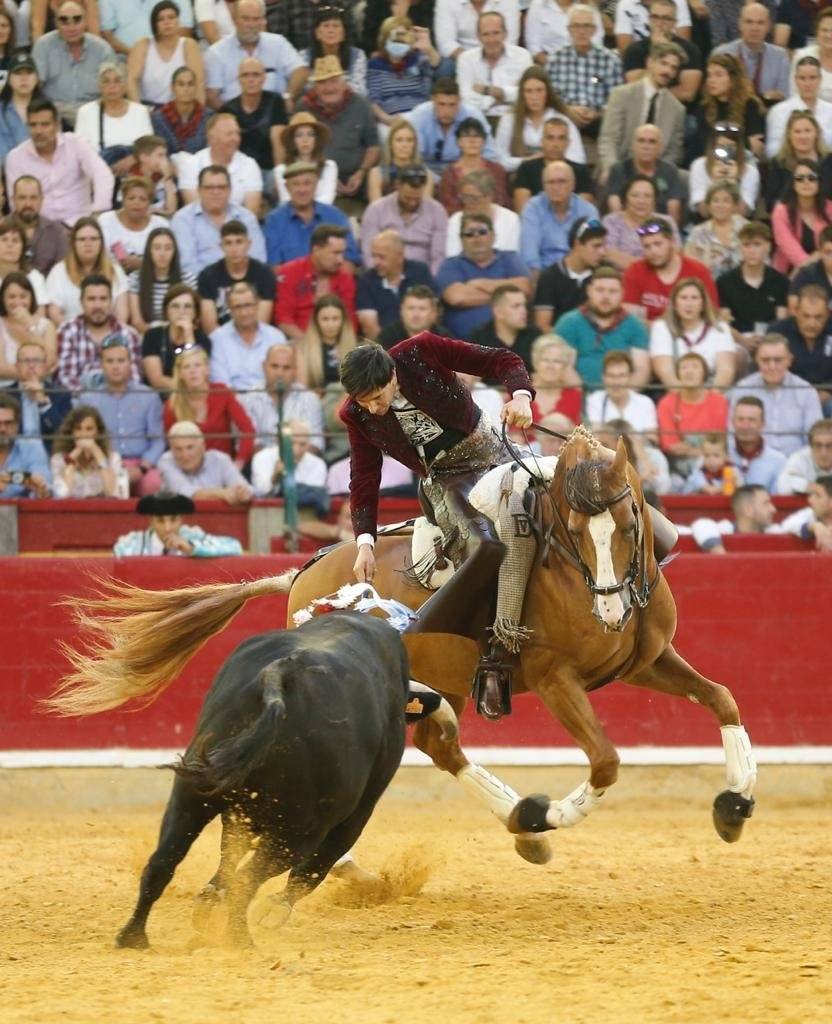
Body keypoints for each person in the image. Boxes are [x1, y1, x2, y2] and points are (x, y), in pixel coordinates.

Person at [338, 335, 534, 716]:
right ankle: (493, 660)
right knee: (485, 547)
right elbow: (364, 477)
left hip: (493, 450)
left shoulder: (420, 351)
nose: (375, 409)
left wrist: (521, 395)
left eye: (378, 397)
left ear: (393, 375)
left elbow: (501, 359)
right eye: (365, 402)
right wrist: (365, 542)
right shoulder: (356, 415)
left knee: (555, 499)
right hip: (447, 479)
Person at [6, 98, 114, 224]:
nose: (39, 131)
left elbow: (102, 175)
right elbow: (16, 203)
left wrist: (97, 213)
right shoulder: (16, 158)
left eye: (45, 124)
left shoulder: (76, 144)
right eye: (33, 125)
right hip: (40, 230)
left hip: (80, 226)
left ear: (57, 125)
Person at [79, 337, 165, 495]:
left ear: (130, 363)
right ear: (101, 365)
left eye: (121, 361)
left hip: (140, 462)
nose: (116, 366)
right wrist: (104, 465)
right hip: (103, 463)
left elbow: (158, 440)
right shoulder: (88, 399)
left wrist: (142, 468)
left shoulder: (148, 396)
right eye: (110, 361)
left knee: (153, 484)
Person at [597, 42, 686, 182]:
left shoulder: (677, 109)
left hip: (655, 176)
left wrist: (656, 176)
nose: (667, 71)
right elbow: (609, 139)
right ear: (650, 62)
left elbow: (673, 153)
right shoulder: (621, 95)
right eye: (663, 63)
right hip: (619, 167)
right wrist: (613, 170)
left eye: (673, 68)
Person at [297, 55, 380, 201]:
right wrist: (325, 174)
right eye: (322, 82)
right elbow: (295, 149)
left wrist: (361, 173)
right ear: (315, 87)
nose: (329, 88)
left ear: (344, 84)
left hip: (358, 175)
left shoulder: (361, 105)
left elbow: (373, 146)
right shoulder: (303, 108)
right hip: (317, 173)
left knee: (377, 179)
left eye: (334, 81)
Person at [436, 212, 531, 337]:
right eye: (469, 234)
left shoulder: (510, 258)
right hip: (462, 344)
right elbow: (457, 297)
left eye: (482, 232)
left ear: (493, 235)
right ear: (461, 239)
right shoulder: (450, 264)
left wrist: (480, 284)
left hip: (510, 343)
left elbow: (524, 288)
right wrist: (506, 297)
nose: (477, 238)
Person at [554, 267, 650, 389]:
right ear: (589, 291)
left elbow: (641, 370)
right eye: (600, 290)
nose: (606, 296)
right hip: (579, 398)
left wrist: (622, 397)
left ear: (622, 293)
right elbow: (565, 367)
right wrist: (586, 400)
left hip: (621, 398)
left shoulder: (635, 325)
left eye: (613, 291)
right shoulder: (569, 322)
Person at [164, 343, 254, 469]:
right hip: (187, 468)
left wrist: (239, 462)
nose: (192, 371)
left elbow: (247, 430)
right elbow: (172, 443)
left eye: (197, 365)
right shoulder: (172, 404)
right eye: (186, 367)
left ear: (207, 369)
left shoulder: (222, 393)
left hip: (223, 467)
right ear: (180, 374)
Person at [731, 335, 823, 457]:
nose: (772, 366)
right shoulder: (743, 389)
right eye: (765, 360)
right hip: (753, 461)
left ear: (789, 360)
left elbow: (815, 438)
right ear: (757, 360)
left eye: (778, 360)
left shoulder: (806, 391)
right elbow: (731, 435)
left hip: (794, 464)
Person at [204, 0, 304, 109]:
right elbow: (212, 96)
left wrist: (288, 96)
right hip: (234, 118)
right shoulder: (216, 53)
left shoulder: (278, 44)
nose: (251, 25)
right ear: (234, 19)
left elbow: (300, 70)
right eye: (246, 19)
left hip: (275, 114)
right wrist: (229, 117)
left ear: (263, 20)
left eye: (256, 19)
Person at [171, 165, 266, 278]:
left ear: (230, 190)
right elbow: (186, 266)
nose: (215, 192)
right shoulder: (183, 219)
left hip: (243, 287)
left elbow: (258, 259)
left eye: (221, 187)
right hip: (201, 287)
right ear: (199, 190)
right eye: (209, 187)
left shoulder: (246, 217)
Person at [546, 5, 623, 141]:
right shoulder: (555, 59)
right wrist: (567, 109)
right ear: (569, 30)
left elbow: (616, 99)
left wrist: (597, 113)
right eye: (576, 26)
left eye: (586, 26)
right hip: (564, 117)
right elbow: (549, 97)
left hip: (599, 119)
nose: (581, 32)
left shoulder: (610, 60)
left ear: (594, 30)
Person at [32, 0, 114, 127]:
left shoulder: (102, 49)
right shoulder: (43, 46)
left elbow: (112, 87)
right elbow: (34, 87)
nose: (72, 27)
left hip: (92, 112)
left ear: (85, 22)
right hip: (54, 114)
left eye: (77, 20)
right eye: (64, 21)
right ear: (56, 24)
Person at [263, 162, 359, 270]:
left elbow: (349, 262)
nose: (302, 190)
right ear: (287, 187)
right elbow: (275, 267)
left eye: (307, 183)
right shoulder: (275, 220)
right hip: (292, 285)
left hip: (332, 284)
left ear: (316, 185)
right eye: (296, 184)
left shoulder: (335, 216)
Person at [622, 218, 719, 322]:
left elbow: (711, 314)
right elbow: (632, 320)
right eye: (647, 246)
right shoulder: (635, 271)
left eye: (658, 244)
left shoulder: (698, 271)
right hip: (646, 336)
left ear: (672, 241)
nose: (653, 251)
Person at [494, 65, 586, 174]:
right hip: (522, 176)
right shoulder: (509, 120)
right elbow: (499, 160)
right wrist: (527, 161)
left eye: (539, 90)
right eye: (529, 91)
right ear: (522, 94)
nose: (534, 97)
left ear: (547, 92)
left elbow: (578, 158)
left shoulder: (562, 120)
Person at [56, 274, 141, 392]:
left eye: (103, 299)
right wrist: (92, 399)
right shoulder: (67, 331)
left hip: (119, 401)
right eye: (91, 299)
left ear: (111, 301)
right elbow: (64, 377)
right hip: (79, 403)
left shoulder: (128, 334)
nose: (97, 305)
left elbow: (134, 379)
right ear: (81, 302)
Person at [361, 163, 448, 275]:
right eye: (407, 197)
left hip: (421, 276)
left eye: (417, 198)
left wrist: (429, 281)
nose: (412, 202)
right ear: (397, 185)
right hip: (383, 273)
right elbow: (368, 253)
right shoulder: (376, 209)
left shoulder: (437, 211)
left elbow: (438, 257)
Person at [275, 223, 357, 341]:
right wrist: (311, 346)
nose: (340, 260)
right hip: (298, 343)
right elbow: (284, 320)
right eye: (335, 253)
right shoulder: (289, 273)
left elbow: (350, 323)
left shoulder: (346, 278)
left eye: (342, 253)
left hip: (337, 346)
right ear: (316, 250)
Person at [717, 222, 789, 357]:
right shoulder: (725, 282)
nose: (752, 250)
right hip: (737, 342)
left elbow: (782, 321)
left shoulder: (781, 282)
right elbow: (723, 322)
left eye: (757, 244)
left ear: (768, 247)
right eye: (747, 245)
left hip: (771, 340)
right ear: (740, 248)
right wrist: (742, 340)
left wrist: (767, 342)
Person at [650, 277, 735, 390]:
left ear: (703, 304)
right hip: (675, 392)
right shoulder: (661, 327)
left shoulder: (720, 328)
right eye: (683, 298)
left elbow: (726, 370)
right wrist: (687, 398)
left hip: (712, 391)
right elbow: (665, 372)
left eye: (694, 298)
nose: (689, 304)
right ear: (674, 304)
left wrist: (711, 398)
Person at [240, 342, 325, 453]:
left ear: (295, 371)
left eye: (286, 368)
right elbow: (249, 443)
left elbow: (316, 444)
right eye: (274, 366)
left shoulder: (310, 399)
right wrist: (272, 462)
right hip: (260, 465)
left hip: (302, 464)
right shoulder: (248, 399)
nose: (280, 373)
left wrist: (292, 461)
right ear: (264, 367)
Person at [519, 161, 599, 274]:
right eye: (550, 182)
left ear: (573, 185)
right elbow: (530, 256)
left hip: (579, 273)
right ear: (543, 186)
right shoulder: (532, 208)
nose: (556, 187)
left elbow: (591, 251)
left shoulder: (589, 211)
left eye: (562, 182)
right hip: (544, 274)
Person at [74, 62, 153, 178]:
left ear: (125, 85)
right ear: (99, 86)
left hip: (135, 173)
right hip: (97, 174)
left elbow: (149, 147)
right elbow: (80, 150)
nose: (112, 86)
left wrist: (132, 159)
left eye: (117, 81)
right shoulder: (86, 112)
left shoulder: (140, 111)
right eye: (106, 81)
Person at [404, 77, 496, 176]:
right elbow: (413, 157)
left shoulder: (473, 115)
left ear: (460, 101)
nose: (447, 111)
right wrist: (437, 181)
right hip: (426, 171)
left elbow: (489, 154)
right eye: (441, 104)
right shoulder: (419, 115)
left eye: (452, 105)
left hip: (463, 172)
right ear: (433, 100)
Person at [656, 351, 730, 473]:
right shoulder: (666, 403)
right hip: (678, 465)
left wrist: (690, 450)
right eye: (684, 367)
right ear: (678, 374)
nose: (689, 371)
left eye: (695, 367)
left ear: (704, 373)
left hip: (715, 462)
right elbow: (672, 446)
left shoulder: (719, 401)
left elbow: (718, 441)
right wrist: (701, 452)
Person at [45, 217, 128, 326]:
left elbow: (122, 315)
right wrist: (74, 334)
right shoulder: (58, 272)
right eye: (82, 239)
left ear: (101, 242)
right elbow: (54, 312)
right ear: (73, 243)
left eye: (93, 239)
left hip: (109, 337)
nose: (88, 243)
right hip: (71, 336)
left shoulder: (116, 271)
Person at [197, 221, 274, 335]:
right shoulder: (207, 275)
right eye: (228, 243)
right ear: (221, 246)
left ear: (248, 244)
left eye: (239, 242)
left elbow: (263, 322)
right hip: (220, 341)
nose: (234, 249)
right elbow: (210, 326)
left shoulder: (264, 274)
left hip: (256, 338)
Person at [356, 230, 435, 341]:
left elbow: (432, 313)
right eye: (374, 256)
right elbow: (370, 328)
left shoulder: (420, 272)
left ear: (400, 256)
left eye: (381, 257)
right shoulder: (366, 280)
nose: (375, 262)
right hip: (385, 346)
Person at [113, 491, 245, 557]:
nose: (168, 528)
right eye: (160, 521)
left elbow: (235, 547)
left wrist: (191, 548)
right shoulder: (130, 544)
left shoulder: (193, 537)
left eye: (173, 520)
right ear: (151, 521)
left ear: (181, 519)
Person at [621, 0, 703, 107]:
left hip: (679, 110)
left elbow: (687, 93)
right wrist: (656, 50)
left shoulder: (690, 49)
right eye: (655, 17)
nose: (660, 22)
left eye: (666, 18)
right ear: (649, 20)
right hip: (641, 109)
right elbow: (635, 89)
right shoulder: (635, 50)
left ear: (675, 23)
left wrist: (654, 93)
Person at [219, 56, 287, 186]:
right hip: (240, 173)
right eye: (245, 75)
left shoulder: (275, 102)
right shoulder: (227, 109)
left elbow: (278, 141)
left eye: (256, 75)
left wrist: (280, 176)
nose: (251, 80)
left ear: (264, 78)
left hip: (269, 170)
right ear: (239, 79)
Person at [179, 112, 262, 216]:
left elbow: (251, 214)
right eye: (229, 134)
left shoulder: (250, 165)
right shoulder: (191, 164)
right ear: (211, 138)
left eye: (237, 133)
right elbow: (195, 210)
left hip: (238, 228)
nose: (235, 139)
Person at [532, 216, 607, 332]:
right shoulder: (550, 277)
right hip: (559, 344)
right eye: (596, 246)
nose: (603, 252)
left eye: (603, 246)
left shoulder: (603, 275)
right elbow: (542, 325)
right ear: (577, 244)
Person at [125, 0, 205, 108]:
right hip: (149, 107)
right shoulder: (143, 45)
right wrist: (139, 112)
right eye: (161, 19)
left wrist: (198, 114)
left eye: (171, 17)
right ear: (154, 24)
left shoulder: (189, 45)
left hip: (180, 108)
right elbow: (131, 81)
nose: (167, 22)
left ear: (178, 21)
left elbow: (198, 83)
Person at [211, 280, 287, 393]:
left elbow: (282, 379)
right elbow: (221, 386)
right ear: (229, 309)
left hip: (270, 401)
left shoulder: (276, 337)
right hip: (232, 404)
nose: (244, 313)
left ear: (257, 304)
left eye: (248, 305)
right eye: (237, 307)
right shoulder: (217, 339)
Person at [456, 11, 532, 122]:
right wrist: (500, 98)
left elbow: (528, 93)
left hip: (513, 118)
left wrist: (492, 91)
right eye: (486, 34)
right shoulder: (466, 59)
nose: (491, 40)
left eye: (496, 33)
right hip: (477, 119)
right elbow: (465, 98)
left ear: (505, 34)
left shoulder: (522, 56)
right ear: (478, 37)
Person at [603, 123, 685, 224]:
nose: (646, 146)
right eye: (641, 141)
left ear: (660, 147)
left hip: (659, 229)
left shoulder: (670, 171)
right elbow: (615, 208)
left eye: (652, 142)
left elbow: (673, 212)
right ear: (633, 145)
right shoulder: (618, 170)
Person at [365, 15, 440, 127]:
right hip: (390, 120)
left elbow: (435, 65)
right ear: (384, 40)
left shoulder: (419, 59)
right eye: (395, 40)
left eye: (403, 40)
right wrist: (387, 119)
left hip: (420, 117)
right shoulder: (375, 65)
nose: (399, 44)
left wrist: (429, 49)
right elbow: (374, 100)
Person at [511, 114, 594, 213]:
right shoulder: (526, 169)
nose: (555, 144)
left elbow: (585, 213)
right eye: (550, 138)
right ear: (542, 142)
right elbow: (523, 212)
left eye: (561, 138)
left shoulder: (581, 171)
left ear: (568, 143)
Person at [158, 419, 253, 504]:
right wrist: (222, 493)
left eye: (190, 447)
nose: (185, 455)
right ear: (171, 450)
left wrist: (242, 493)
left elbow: (247, 489)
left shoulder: (220, 460)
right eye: (178, 449)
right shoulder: (166, 462)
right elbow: (187, 494)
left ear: (203, 446)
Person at [712, 3, 790, 106]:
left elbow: (782, 96)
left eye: (760, 23)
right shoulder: (722, 53)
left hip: (767, 115)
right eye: (749, 22)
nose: (754, 28)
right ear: (740, 24)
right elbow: (715, 94)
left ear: (768, 26)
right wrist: (765, 96)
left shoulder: (780, 56)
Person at [141, 284, 212, 394]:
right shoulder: (153, 335)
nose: (181, 311)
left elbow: (198, 376)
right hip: (160, 398)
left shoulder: (202, 340)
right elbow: (156, 380)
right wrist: (186, 386)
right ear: (166, 311)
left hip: (190, 398)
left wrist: (189, 336)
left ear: (195, 312)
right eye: (175, 306)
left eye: (187, 306)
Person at [767, 286, 832, 404]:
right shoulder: (778, 331)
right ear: (796, 311)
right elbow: (768, 368)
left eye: (818, 317)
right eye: (806, 316)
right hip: (787, 395)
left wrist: (828, 393)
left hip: (827, 396)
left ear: (828, 314)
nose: (812, 323)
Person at [695, 54, 765, 160]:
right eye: (709, 75)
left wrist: (720, 141)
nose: (711, 80)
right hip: (712, 162)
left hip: (744, 161)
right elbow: (704, 145)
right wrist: (739, 141)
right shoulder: (704, 107)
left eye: (718, 75)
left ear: (733, 79)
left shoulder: (751, 105)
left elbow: (757, 148)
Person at [602, 176, 679, 272]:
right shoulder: (611, 221)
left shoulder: (667, 221)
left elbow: (676, 253)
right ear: (625, 199)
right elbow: (610, 254)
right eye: (635, 195)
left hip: (662, 276)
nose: (641, 201)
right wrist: (646, 270)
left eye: (647, 196)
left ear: (655, 200)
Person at [128, 227, 197, 335]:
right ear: (149, 251)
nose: (162, 253)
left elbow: (194, 318)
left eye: (168, 248)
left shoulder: (187, 279)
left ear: (175, 252)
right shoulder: (135, 279)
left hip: (181, 334)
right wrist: (159, 338)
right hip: (147, 337)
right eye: (157, 248)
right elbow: (137, 322)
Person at [251, 418, 329, 512]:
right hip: (269, 513)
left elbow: (314, 497)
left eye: (302, 444)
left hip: (305, 514)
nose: (296, 450)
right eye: (291, 443)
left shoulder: (318, 464)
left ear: (309, 444)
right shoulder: (262, 457)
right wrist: (274, 478)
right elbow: (259, 493)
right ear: (279, 442)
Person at [437, 117, 510, 215]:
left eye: (477, 136)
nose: (472, 141)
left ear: (483, 141)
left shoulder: (497, 170)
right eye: (466, 136)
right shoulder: (448, 175)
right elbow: (447, 208)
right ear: (458, 142)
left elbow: (501, 202)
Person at [771, 159, 832, 276]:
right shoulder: (780, 212)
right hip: (788, 272)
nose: (806, 182)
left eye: (812, 178)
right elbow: (791, 251)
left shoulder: (830, 208)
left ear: (819, 182)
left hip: (827, 269)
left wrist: (816, 258)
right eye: (799, 178)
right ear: (793, 184)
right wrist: (805, 269)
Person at [765, 108, 832, 213]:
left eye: (807, 131)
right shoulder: (778, 163)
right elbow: (770, 204)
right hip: (790, 220)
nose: (803, 136)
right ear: (789, 136)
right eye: (797, 132)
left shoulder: (829, 161)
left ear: (816, 134)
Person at [98, 177, 168, 277]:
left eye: (142, 199)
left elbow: (168, 261)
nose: (136, 202)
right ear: (123, 200)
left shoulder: (161, 225)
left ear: (149, 203)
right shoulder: (105, 221)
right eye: (131, 198)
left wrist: (142, 264)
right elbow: (98, 258)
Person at [50, 403, 123, 498]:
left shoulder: (113, 458)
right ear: (71, 432)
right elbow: (62, 493)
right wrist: (74, 456)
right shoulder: (59, 459)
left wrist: (97, 452)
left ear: (98, 432)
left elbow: (112, 493)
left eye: (89, 429)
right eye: (78, 428)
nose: (83, 434)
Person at [9, 340, 72, 451]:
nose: (31, 365)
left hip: (48, 454)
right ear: (16, 366)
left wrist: (43, 402)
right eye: (26, 361)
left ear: (45, 366)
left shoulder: (61, 394)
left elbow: (65, 434)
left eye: (37, 361)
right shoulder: (4, 395)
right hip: (12, 454)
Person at [586, 349, 659, 441]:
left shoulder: (645, 402)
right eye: (611, 376)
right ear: (603, 377)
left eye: (622, 376)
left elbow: (652, 439)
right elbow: (595, 437)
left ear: (630, 376)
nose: (616, 382)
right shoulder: (595, 400)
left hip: (640, 453)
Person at [689, 130, 761, 221]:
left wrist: (733, 182)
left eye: (731, 146)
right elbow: (704, 212)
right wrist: (715, 183)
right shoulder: (699, 165)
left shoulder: (750, 171)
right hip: (705, 223)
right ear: (712, 147)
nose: (725, 151)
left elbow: (742, 213)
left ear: (739, 148)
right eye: (720, 146)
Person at [444, 170, 519, 258]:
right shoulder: (455, 220)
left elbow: (512, 256)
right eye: (464, 197)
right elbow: (452, 256)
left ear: (489, 196)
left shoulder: (510, 219)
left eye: (473, 198)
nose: (468, 203)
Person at [0, 273, 57, 387]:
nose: (18, 302)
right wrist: (37, 373)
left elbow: (50, 360)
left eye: (23, 296)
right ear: (3, 299)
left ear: (31, 298)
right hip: (6, 392)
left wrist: (30, 325)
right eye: (12, 297)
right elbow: (1, 368)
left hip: (41, 388)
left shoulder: (47, 325)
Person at [297, 4, 367, 96]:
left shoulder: (357, 55)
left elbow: (359, 91)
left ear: (344, 34)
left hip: (348, 105)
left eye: (336, 26)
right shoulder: (303, 56)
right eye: (326, 26)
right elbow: (303, 89)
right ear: (317, 33)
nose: (331, 31)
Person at [294, 294, 358, 394]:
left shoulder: (357, 349)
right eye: (325, 319)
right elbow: (302, 389)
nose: (330, 325)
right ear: (316, 320)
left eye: (335, 318)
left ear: (343, 320)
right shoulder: (303, 349)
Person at [684, 182, 747, 281]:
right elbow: (689, 268)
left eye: (726, 201)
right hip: (709, 286)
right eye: (715, 200)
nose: (720, 205)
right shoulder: (697, 232)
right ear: (709, 205)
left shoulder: (746, 228)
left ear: (734, 205)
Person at [469, 283, 539, 372]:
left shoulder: (535, 336)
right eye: (516, 306)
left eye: (524, 305)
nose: (524, 311)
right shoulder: (478, 338)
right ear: (498, 312)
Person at [688, 483, 778, 551]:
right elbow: (702, 524)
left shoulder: (774, 531)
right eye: (766, 503)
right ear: (748, 510)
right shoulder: (726, 529)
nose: (773, 509)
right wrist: (718, 553)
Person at [367, 116, 436, 203]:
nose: (404, 145)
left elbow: (426, 208)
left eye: (409, 140)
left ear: (414, 145)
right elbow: (376, 210)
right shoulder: (376, 173)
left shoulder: (426, 174)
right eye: (399, 140)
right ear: (390, 144)